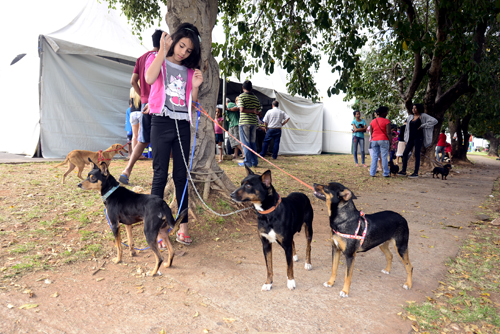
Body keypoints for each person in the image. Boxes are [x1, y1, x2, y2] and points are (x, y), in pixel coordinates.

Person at [145, 23, 204, 246]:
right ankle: (157, 228)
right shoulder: (157, 59)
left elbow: (193, 101)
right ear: (173, 41)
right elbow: (150, 79)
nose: (183, 52)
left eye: (189, 51)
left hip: (182, 124)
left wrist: (196, 86)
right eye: (181, 46)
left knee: (181, 176)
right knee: (159, 175)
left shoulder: (189, 72)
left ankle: (184, 226)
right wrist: (162, 50)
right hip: (160, 122)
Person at [119, 30, 163, 185]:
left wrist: (144, 96)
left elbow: (133, 81)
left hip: (145, 104)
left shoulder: (141, 58)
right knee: (160, 140)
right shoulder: (162, 57)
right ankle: (158, 177)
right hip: (159, 104)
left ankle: (127, 170)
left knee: (143, 140)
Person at [398, 103, 438, 178]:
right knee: (405, 153)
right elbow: (407, 128)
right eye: (413, 108)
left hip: (418, 138)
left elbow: (435, 121)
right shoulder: (410, 117)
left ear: (419, 109)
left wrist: (423, 125)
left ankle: (416, 173)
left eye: (415, 108)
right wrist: (406, 138)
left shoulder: (423, 116)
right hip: (410, 138)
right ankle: (403, 171)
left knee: (417, 154)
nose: (413, 109)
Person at [237, 80, 262, 168]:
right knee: (252, 143)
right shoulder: (255, 98)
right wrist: (255, 112)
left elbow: (241, 109)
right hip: (253, 123)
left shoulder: (241, 96)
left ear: (243, 88)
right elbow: (259, 112)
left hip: (244, 123)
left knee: (245, 143)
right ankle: (254, 162)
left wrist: (251, 111)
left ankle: (247, 162)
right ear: (251, 88)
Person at [369, 106, 392, 177]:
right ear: (384, 113)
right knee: (384, 156)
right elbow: (388, 133)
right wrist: (390, 142)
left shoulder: (373, 121)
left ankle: (372, 173)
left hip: (374, 140)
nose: (387, 113)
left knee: (375, 156)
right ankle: (386, 173)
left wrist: (374, 138)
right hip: (384, 140)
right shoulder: (387, 121)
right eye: (386, 112)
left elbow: (371, 132)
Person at [129, 87, 142, 154]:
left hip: (133, 113)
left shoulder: (132, 89)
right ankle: (139, 154)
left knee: (134, 135)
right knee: (140, 135)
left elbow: (131, 104)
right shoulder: (142, 89)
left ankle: (134, 154)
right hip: (140, 113)